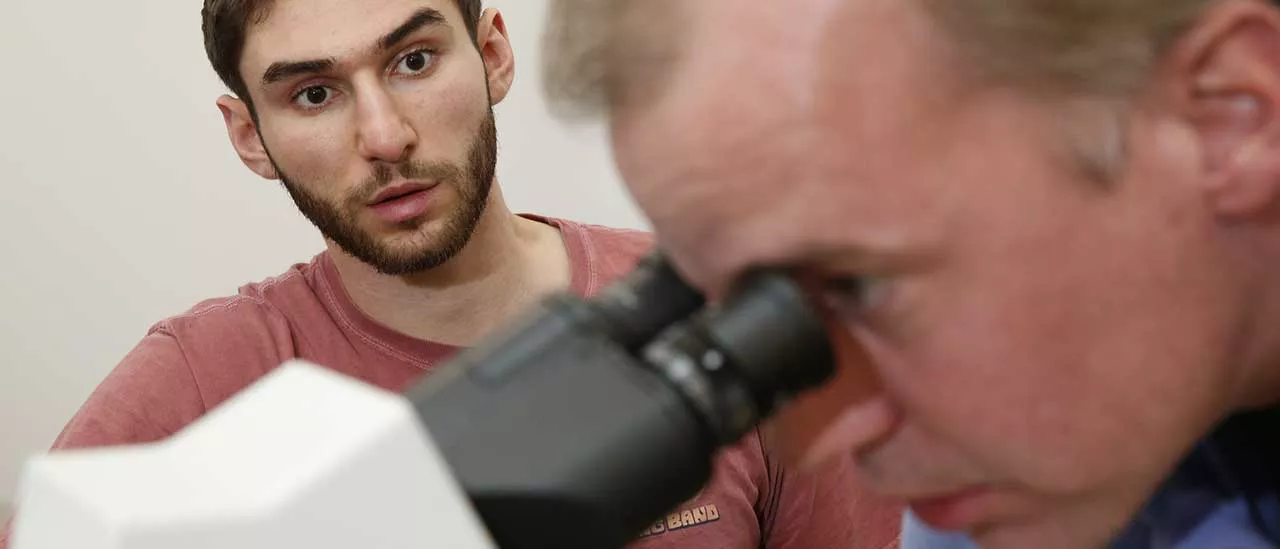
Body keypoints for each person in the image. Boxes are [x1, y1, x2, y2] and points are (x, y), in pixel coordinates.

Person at [0, 1, 905, 548]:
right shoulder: (202, 380)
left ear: (495, 53)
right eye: (313, 92)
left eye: (414, 60)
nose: (385, 136)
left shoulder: (721, 317)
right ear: (250, 135)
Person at [539, 0, 1280, 547]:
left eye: (859, 287)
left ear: (1229, 115)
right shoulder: (1016, 485)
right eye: (746, 314)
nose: (818, 437)